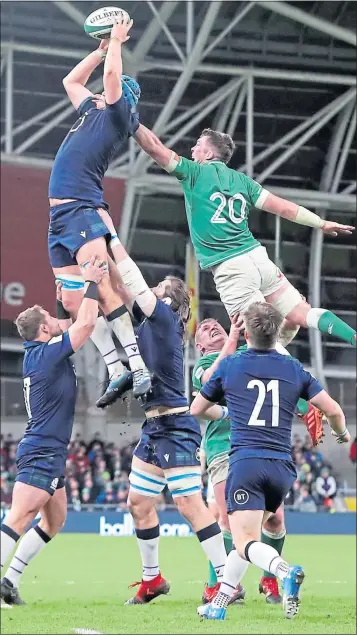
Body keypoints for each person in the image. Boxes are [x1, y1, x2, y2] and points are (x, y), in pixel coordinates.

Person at [97, 209, 229, 605]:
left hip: (175, 423)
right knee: (138, 503)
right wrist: (99, 260)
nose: (148, 291)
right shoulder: (150, 322)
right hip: (154, 428)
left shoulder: (166, 320)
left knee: (190, 504)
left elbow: (132, 280)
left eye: (156, 288)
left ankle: (225, 582)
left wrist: (110, 233)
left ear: (169, 299)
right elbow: (121, 287)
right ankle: (152, 580)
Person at [190, 302, 350, 620]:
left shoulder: (230, 366)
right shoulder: (293, 369)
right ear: (277, 334)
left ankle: (282, 571)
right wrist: (342, 435)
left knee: (243, 539)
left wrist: (223, 410)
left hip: (246, 462)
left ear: (245, 332)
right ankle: (217, 606)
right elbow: (333, 410)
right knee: (251, 534)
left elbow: (196, 409)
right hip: (281, 468)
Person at [133, 125, 356, 348]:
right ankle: (352, 336)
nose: (192, 149)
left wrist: (129, 121)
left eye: (198, 145)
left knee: (262, 341)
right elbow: (285, 209)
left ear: (209, 154)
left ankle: (301, 383)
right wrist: (321, 223)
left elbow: (154, 147)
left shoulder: (193, 172)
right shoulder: (244, 182)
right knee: (303, 313)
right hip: (258, 259)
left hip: (231, 268)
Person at [48, 17, 150, 407]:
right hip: (58, 218)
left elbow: (110, 78)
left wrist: (118, 44)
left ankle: (136, 364)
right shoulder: (92, 110)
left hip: (80, 208)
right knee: (75, 301)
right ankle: (117, 368)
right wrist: (100, 50)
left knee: (101, 288)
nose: (102, 91)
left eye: (112, 88)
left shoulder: (119, 114)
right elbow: (70, 82)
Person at [0, 258, 105, 605]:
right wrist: (89, 282)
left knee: (54, 519)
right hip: (42, 449)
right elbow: (85, 323)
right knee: (19, 518)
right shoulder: (46, 355)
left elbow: (68, 320)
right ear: (44, 331)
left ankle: (9, 582)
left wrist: (63, 298)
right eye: (50, 319)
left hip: (50, 450)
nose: (56, 321)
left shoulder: (42, 350)